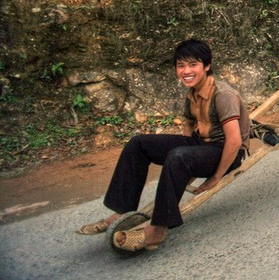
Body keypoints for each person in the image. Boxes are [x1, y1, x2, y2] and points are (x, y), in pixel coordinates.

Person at [76, 39, 250, 252]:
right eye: (180, 65)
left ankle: (158, 229)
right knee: (138, 144)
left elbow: (234, 140)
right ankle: (122, 211)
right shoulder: (193, 91)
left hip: (226, 152)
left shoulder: (223, 95)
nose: (186, 71)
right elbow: (188, 121)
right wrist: (189, 147)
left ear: (206, 65)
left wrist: (215, 177)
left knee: (178, 157)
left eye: (192, 65)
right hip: (201, 146)